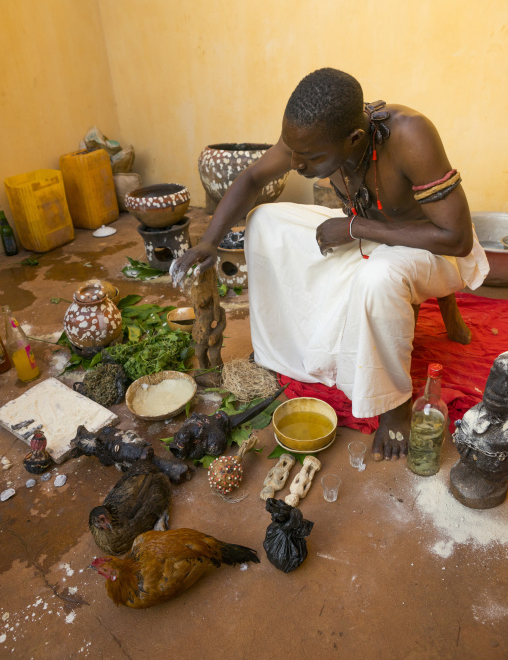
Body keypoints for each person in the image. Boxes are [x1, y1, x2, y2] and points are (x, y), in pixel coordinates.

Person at [171, 68, 489, 462]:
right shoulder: (308, 138)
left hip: (434, 248)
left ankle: (392, 405)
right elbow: (253, 177)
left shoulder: (411, 134)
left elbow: (455, 238)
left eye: (311, 157)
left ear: (353, 139)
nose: (298, 165)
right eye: (293, 151)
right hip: (370, 234)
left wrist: (355, 226)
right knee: (266, 222)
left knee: (377, 278)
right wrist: (208, 241)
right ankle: (280, 354)